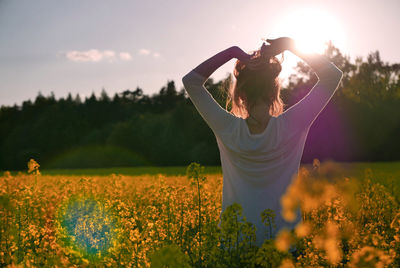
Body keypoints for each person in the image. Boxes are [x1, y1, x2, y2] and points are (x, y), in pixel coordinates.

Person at [182, 37, 343, 247]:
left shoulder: (227, 128)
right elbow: (332, 76)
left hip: (235, 246)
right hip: (285, 246)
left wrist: (233, 52)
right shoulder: (292, 124)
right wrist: (291, 46)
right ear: (274, 92)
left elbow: (191, 82)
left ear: (239, 94)